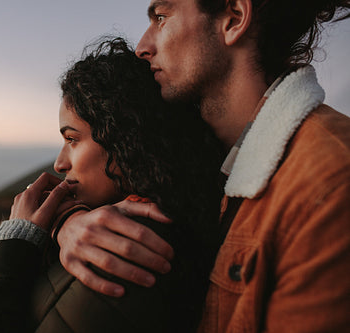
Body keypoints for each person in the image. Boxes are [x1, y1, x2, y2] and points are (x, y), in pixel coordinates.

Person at [54, 0, 350, 332]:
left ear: (234, 18)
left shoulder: (330, 182)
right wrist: (67, 221)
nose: (142, 46)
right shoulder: (197, 155)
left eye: (162, 17)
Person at [0, 38, 224, 332]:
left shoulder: (125, 250)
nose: (60, 164)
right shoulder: (139, 218)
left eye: (72, 139)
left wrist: (17, 240)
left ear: (126, 139)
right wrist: (62, 222)